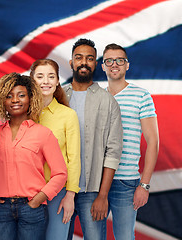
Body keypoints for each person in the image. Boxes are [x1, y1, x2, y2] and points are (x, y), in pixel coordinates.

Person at [0, 72, 67, 240]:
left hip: (32, 208)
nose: (15, 100)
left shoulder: (43, 134)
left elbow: (60, 173)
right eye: (9, 96)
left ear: (30, 98)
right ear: (3, 100)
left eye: (21, 95)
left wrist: (39, 199)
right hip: (0, 209)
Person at [63, 38, 123, 240]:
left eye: (90, 58)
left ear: (96, 64)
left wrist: (103, 196)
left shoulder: (108, 101)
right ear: (71, 62)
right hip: (60, 189)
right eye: (78, 57)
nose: (84, 62)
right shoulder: (57, 97)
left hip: (93, 191)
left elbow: (113, 152)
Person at [102, 43, 159, 240]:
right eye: (109, 60)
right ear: (103, 66)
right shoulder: (97, 96)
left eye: (120, 60)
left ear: (127, 65)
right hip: (95, 181)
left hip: (125, 182)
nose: (114, 64)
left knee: (124, 237)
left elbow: (153, 142)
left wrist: (144, 185)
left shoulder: (141, 96)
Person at [30, 59, 81, 239]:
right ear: (32, 80)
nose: (46, 81)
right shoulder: (23, 114)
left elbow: (73, 158)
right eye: (40, 76)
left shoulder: (68, 115)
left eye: (51, 76)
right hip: (27, 192)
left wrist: (70, 196)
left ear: (58, 81)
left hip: (58, 193)